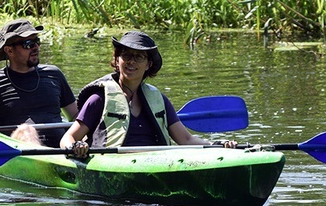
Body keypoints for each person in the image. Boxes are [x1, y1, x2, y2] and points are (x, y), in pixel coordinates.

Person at [60, 31, 237, 158]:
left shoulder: (159, 100)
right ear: (117, 60)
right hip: (113, 164)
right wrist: (75, 146)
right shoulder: (99, 99)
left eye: (139, 57)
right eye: (126, 55)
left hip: (156, 163)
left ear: (148, 65)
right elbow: (67, 137)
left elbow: (186, 139)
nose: (131, 61)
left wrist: (216, 146)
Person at [0, 19, 78, 147]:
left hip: (61, 150)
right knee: (26, 130)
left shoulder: (54, 74)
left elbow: (76, 117)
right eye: (28, 44)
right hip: (17, 152)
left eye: (37, 42)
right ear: (9, 50)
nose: (35, 47)